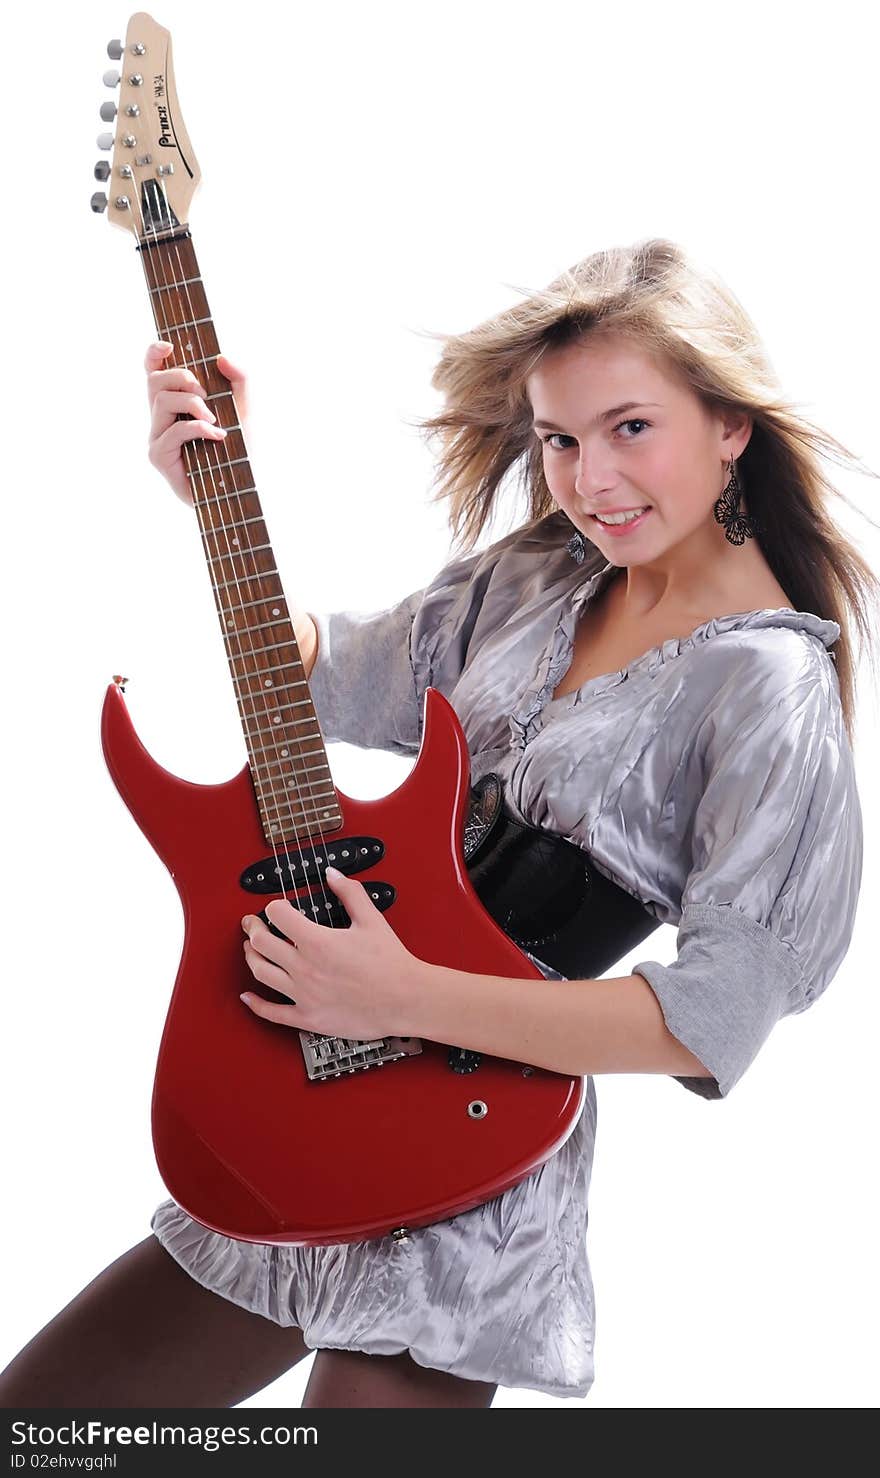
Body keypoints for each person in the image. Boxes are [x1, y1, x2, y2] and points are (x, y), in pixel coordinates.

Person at [0, 237, 873, 1409]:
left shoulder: (768, 688)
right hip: (309, 1084)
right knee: (43, 1426)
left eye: (630, 428)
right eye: (558, 439)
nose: (589, 477)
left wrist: (400, 996)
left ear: (730, 428)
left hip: (474, 1157)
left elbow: (710, 1019)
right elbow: (330, 674)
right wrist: (219, 488)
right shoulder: (545, 575)